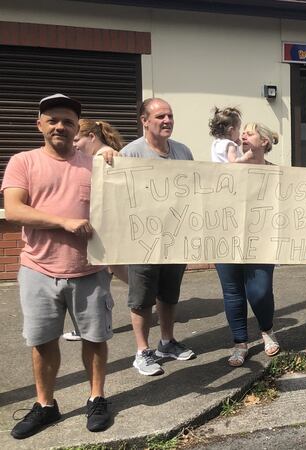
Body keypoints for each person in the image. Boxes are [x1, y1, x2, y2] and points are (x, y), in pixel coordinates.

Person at [2, 94, 114, 438]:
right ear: (40, 125)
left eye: (67, 121)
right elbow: (15, 210)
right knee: (43, 341)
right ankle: (46, 405)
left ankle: (96, 398)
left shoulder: (95, 164)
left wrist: (116, 160)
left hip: (89, 270)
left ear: (75, 127)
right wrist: (63, 222)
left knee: (95, 339)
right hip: (38, 269)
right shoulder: (23, 161)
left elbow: (127, 199)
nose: (60, 126)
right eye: (52, 120)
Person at [119, 98, 196, 376]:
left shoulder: (183, 152)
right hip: (143, 242)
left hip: (175, 239)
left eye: (170, 116)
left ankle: (166, 342)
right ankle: (143, 352)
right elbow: (119, 198)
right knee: (141, 298)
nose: (167, 121)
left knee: (169, 294)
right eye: (160, 116)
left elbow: (194, 191)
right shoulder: (130, 154)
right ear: (144, 120)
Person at [212, 120, 281, 366]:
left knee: (260, 291)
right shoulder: (228, 166)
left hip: (261, 240)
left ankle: (267, 330)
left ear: (264, 141)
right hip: (226, 239)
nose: (243, 136)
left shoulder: (275, 172)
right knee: (232, 293)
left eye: (249, 133)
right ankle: (240, 342)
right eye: (242, 133)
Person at [62, 119, 127, 342]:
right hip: (103, 226)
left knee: (99, 276)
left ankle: (90, 326)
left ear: (91, 137)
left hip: (103, 227)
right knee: (110, 272)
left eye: (77, 139)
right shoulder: (98, 156)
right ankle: (151, 296)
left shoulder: (104, 157)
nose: (74, 144)